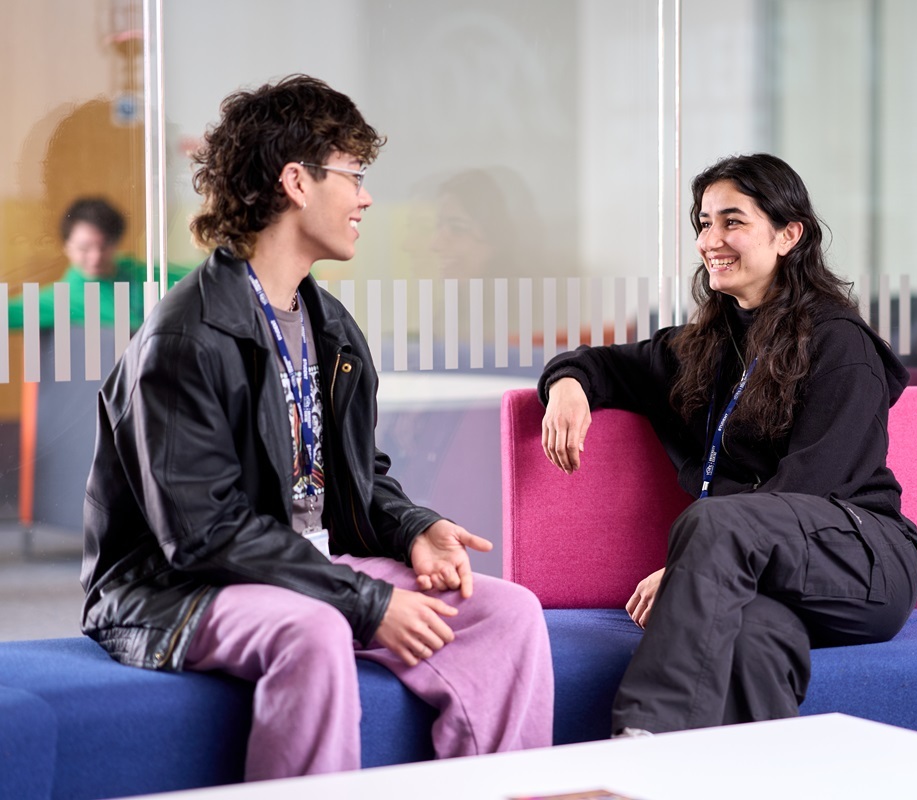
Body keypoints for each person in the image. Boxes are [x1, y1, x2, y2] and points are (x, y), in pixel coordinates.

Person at [80, 74, 553, 780]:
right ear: (297, 182)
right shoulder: (185, 338)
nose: (365, 197)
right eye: (354, 175)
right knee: (314, 628)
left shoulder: (329, 328)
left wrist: (414, 528)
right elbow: (202, 535)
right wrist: (367, 603)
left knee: (507, 614)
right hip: (175, 588)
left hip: (301, 564)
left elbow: (356, 476)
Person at [540, 153, 917, 735]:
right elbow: (601, 364)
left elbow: (814, 482)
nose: (710, 239)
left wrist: (699, 563)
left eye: (732, 221)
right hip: (766, 576)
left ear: (788, 234)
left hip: (862, 557)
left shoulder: (840, 343)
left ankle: (642, 743)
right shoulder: (707, 346)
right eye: (703, 223)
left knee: (714, 523)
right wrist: (567, 386)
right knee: (753, 637)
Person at [7, 197, 188, 329]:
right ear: (66, 246)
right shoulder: (63, 298)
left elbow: (193, 276)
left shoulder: (138, 272)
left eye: (104, 246)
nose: (95, 257)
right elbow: (8, 314)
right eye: (84, 248)